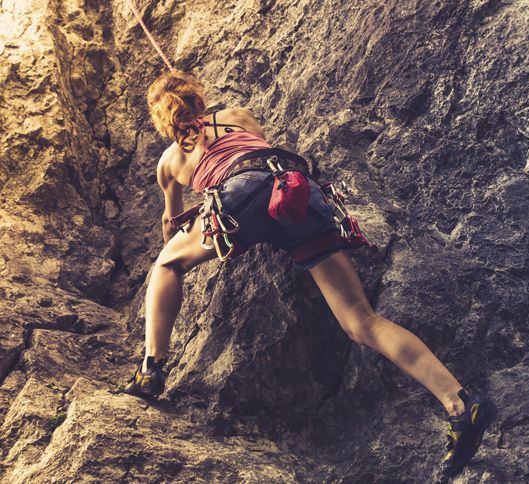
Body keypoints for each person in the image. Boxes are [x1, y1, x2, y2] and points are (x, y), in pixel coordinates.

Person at [122, 69, 496, 476]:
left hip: (241, 196)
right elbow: (255, 151)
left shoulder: (170, 162)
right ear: (197, 98)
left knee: (167, 264)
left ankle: (151, 369)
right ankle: (459, 402)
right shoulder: (237, 115)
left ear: (161, 119)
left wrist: (178, 240)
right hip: (297, 193)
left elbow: (170, 225)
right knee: (361, 320)